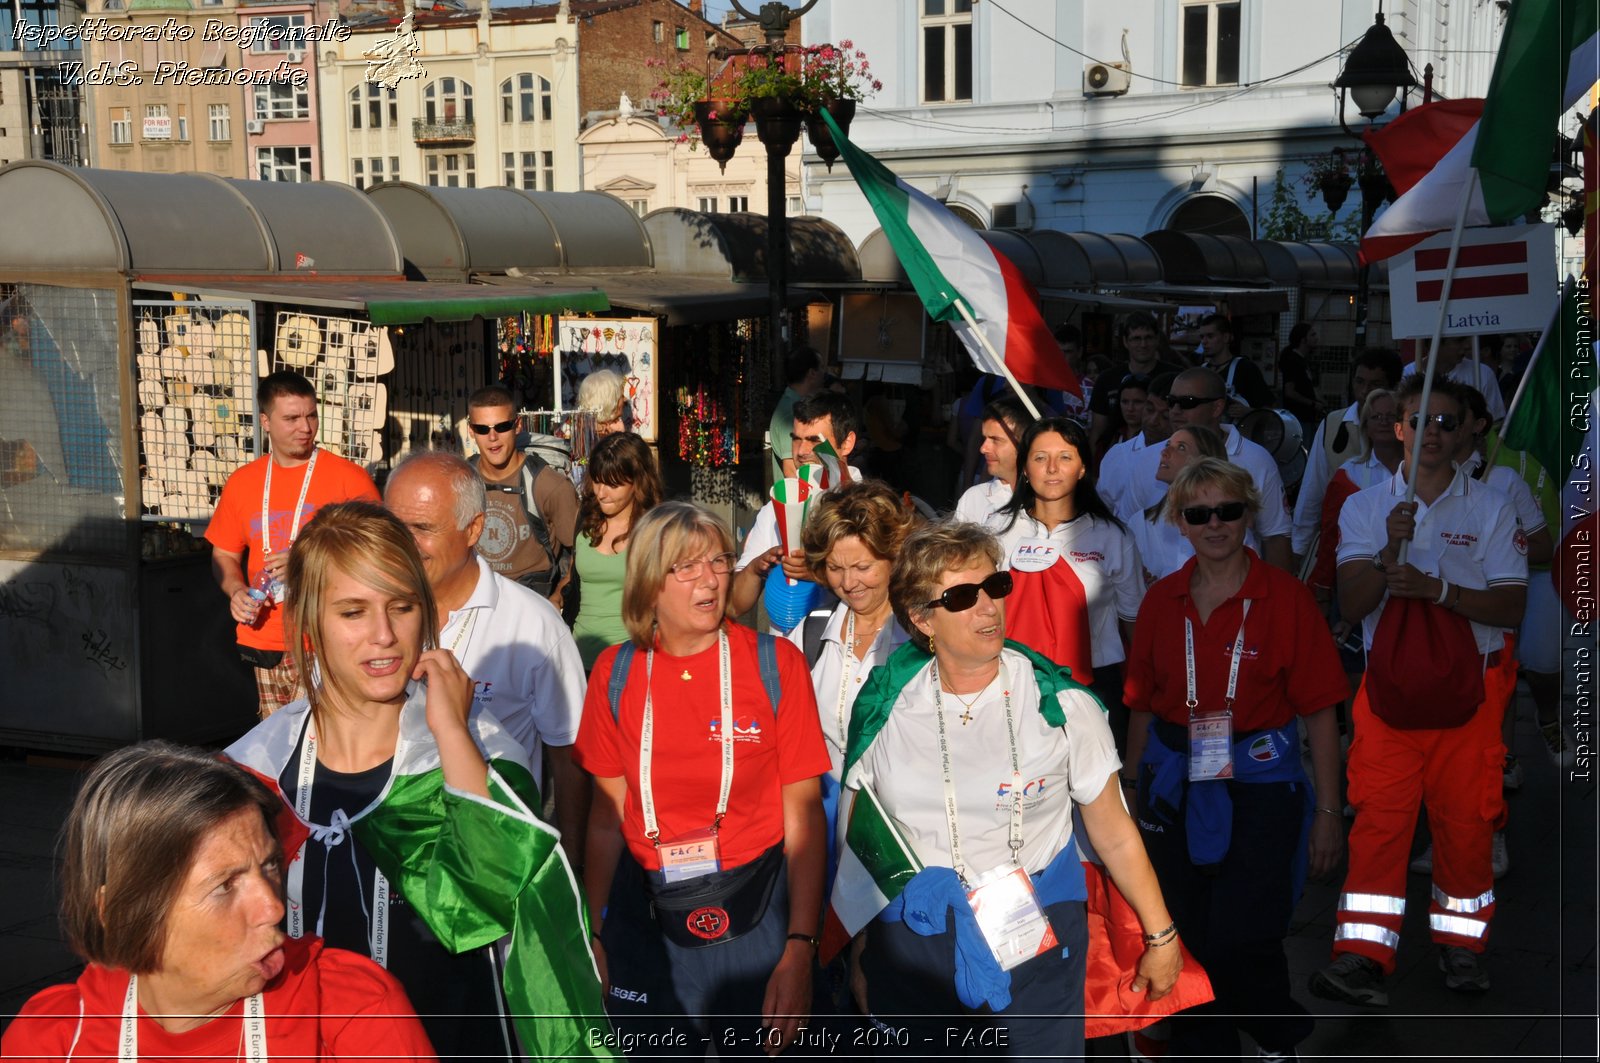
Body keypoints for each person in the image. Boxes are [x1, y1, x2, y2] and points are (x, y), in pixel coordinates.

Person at [224, 501, 610, 1061]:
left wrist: (451, 729)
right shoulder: (257, 770)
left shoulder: (474, 748)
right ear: (309, 623)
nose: (383, 635)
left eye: (401, 607)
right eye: (353, 612)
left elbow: (488, 895)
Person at [839, 522, 1186, 1056]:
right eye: (961, 596)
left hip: (1037, 927)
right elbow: (864, 838)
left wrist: (1161, 936)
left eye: (994, 587)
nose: (987, 608)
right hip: (916, 935)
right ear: (920, 618)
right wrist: (863, 950)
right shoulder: (885, 706)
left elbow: (1114, 832)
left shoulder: (1060, 703)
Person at [575, 501, 830, 1054]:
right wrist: (591, 932)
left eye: (718, 561)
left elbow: (805, 817)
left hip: (753, 915)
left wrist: (800, 948)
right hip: (646, 918)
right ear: (648, 584)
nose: (711, 580)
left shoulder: (775, 665)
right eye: (686, 567)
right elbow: (604, 821)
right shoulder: (614, 674)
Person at [1, 741, 436, 1061]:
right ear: (119, 913)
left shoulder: (349, 1011)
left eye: (269, 866)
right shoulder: (53, 1041)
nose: (273, 908)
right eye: (225, 885)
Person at [1123, 458, 1347, 1058]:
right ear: (1181, 524)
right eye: (1199, 514)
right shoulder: (1161, 601)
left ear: (1249, 515)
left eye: (1229, 510)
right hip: (1173, 784)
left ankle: (1276, 1035)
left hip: (1262, 786)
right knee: (1185, 933)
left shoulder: (1287, 599)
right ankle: (1207, 1049)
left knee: (1245, 933)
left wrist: (1329, 811)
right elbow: (1141, 707)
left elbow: (1321, 712)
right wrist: (1132, 792)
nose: (1216, 524)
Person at [1312, 375, 1526, 1004]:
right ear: (1397, 428)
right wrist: (1384, 553)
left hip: (1473, 692)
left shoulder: (1491, 508)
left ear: (1465, 433)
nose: (1432, 432)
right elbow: (1351, 604)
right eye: (1419, 420)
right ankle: (1361, 957)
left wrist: (1438, 591)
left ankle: (1461, 949)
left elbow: (1513, 605)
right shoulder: (1365, 506)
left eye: (1445, 421)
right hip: (1389, 694)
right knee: (1379, 821)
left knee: (1465, 824)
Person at [384, 451, 590, 868]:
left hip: (493, 859)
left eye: (422, 528)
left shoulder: (533, 626)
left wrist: (571, 862)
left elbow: (568, 758)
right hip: (386, 852)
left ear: (473, 528)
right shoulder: (367, 617)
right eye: (394, 527)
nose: (403, 544)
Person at [206, 370, 380, 719]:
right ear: (266, 421)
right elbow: (223, 553)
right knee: (275, 748)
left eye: (311, 415)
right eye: (292, 418)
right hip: (265, 638)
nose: (305, 427)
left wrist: (307, 559)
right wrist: (236, 590)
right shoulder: (243, 483)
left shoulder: (349, 478)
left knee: (318, 743)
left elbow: (379, 552)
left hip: (327, 640)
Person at [988, 417, 1143, 750]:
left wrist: (1145, 693)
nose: (1053, 468)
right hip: (1012, 681)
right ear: (1025, 468)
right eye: (1041, 458)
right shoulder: (996, 530)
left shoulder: (1113, 537)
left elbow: (1134, 624)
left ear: (1083, 468)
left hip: (1094, 684)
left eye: (1066, 457)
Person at [791, 479, 918, 781]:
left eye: (862, 568)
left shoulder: (921, 635)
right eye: (835, 568)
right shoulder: (811, 632)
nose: (848, 583)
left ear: (894, 558)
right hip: (827, 814)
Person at [1116, 368, 1294, 570]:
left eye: (1187, 402)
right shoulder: (1149, 458)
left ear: (1217, 407)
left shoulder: (1257, 460)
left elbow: (1275, 535)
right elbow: (1125, 531)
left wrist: (1279, 598)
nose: (1175, 410)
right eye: (1171, 401)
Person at [731, 390, 863, 617]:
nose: (801, 452)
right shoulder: (775, 507)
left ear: (847, 443)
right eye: (796, 439)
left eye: (814, 441)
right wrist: (755, 569)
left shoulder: (870, 507)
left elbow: (885, 585)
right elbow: (734, 604)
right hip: (784, 648)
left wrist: (822, 575)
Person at [466, 384, 580, 605]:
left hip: (532, 606)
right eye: (482, 429)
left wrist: (559, 595)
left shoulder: (549, 485)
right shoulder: (460, 481)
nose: (492, 437)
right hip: (475, 607)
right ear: (471, 430)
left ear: (517, 425)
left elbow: (583, 552)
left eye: (502, 427)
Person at [1293, 348, 1403, 565]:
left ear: (1393, 388)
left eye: (1374, 385)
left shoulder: (1409, 430)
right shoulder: (1332, 425)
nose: (1364, 391)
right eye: (1359, 382)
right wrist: (1299, 549)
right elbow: (1313, 490)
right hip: (1342, 551)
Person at [572, 431, 664, 670]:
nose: (602, 492)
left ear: (638, 481)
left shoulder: (655, 530)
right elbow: (573, 584)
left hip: (634, 660)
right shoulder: (586, 521)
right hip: (580, 658)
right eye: (597, 480)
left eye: (613, 484)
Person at [1308, 388, 1404, 605]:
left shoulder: (1421, 471)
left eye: (1391, 416)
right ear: (1365, 426)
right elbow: (1331, 535)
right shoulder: (1348, 475)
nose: (1384, 422)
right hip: (1362, 584)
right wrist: (1322, 586)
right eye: (1376, 417)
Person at [1130, 424, 1229, 585]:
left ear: (1206, 461)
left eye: (1181, 447)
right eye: (1167, 445)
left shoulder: (1230, 520)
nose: (1165, 452)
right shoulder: (1139, 523)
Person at [1088, 311, 1184, 451]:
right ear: (1125, 342)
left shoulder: (1176, 378)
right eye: (1136, 338)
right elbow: (1097, 431)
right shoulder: (1107, 379)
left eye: (1148, 338)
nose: (1143, 344)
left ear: (1157, 339)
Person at [1099, 371, 1175, 518]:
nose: (1153, 420)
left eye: (1165, 416)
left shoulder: (1191, 460)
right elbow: (1102, 512)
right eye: (1150, 409)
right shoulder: (1116, 455)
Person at [952, 397, 1027, 525]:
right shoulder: (974, 498)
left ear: (1025, 443)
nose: (983, 449)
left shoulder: (1049, 499)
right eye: (985, 439)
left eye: (995, 440)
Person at [1402, 334, 1507, 421]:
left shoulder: (1482, 373)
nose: (1467, 345)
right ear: (1436, 344)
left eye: (1466, 339)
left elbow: (1495, 421)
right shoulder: (1407, 374)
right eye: (1459, 340)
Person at [1195, 314, 1272, 415]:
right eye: (1202, 337)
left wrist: (1248, 412)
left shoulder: (1245, 368)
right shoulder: (1201, 371)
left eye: (1210, 336)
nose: (1204, 342)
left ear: (1226, 337)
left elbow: (1269, 410)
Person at [770, 345, 825, 481]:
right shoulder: (789, 412)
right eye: (822, 367)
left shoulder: (799, 405)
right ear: (812, 373)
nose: (825, 373)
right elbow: (791, 471)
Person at [1278, 322, 1321, 434]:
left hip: (1305, 418)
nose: (1316, 338)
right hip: (1298, 419)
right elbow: (1289, 391)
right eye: (1312, 335)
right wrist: (1312, 403)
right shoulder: (1293, 361)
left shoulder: (1302, 360)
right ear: (1303, 340)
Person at [578, 368, 627, 437]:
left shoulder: (586, 427)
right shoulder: (590, 436)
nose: (625, 399)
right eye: (622, 396)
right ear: (609, 401)